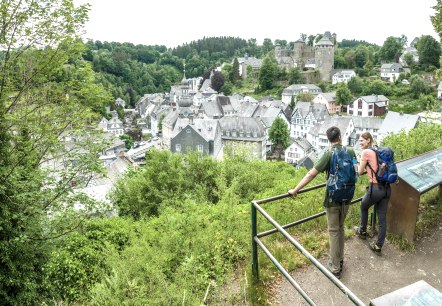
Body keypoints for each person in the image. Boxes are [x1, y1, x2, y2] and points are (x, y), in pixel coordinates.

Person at [288, 126, 356, 279]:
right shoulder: (351, 151)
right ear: (340, 137)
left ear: (329, 139)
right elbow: (356, 168)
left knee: (333, 231)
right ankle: (341, 259)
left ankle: (335, 267)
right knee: (340, 227)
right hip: (348, 195)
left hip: (333, 197)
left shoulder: (328, 153)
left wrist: (295, 189)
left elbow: (311, 174)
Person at [354, 132, 391, 256]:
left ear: (368, 140)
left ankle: (363, 231)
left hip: (375, 188)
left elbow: (359, 172)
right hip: (386, 188)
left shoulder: (366, 152)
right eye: (359, 141)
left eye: (362, 141)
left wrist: (359, 161)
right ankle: (378, 246)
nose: (360, 143)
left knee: (363, 206)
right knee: (382, 219)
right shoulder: (377, 150)